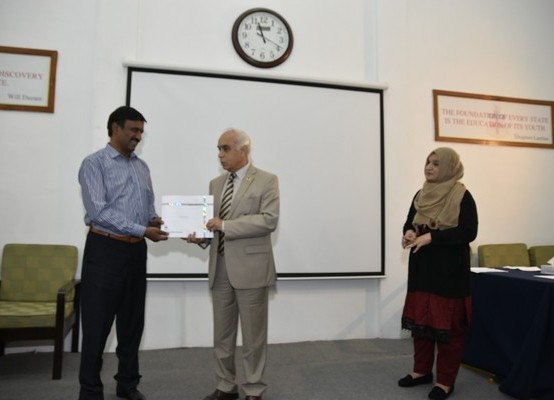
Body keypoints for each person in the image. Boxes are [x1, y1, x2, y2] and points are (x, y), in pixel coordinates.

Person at [78, 106, 168, 400]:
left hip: (135, 252)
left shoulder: (142, 167)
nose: (138, 136)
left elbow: (147, 210)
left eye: (141, 131)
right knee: (97, 326)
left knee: (131, 324)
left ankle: (127, 384)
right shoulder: (94, 164)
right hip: (105, 250)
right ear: (115, 128)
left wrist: (160, 222)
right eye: (133, 130)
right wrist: (143, 229)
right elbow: (99, 212)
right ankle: (90, 390)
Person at [186, 128, 279, 400]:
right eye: (219, 149)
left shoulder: (267, 180)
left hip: (251, 270)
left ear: (243, 150)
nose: (220, 154)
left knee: (253, 337)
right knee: (222, 336)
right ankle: (226, 386)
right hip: (220, 267)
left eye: (225, 148)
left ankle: (254, 389)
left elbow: (269, 220)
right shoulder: (215, 184)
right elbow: (212, 227)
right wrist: (200, 237)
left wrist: (226, 225)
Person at [398, 147, 478, 400]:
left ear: (449, 167)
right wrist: (409, 233)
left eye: (435, 163)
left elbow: (468, 232)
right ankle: (421, 372)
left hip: (449, 272)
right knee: (421, 326)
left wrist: (432, 237)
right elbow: (410, 221)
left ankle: (445, 382)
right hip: (422, 269)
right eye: (427, 162)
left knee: (448, 330)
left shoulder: (462, 195)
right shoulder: (421, 194)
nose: (429, 167)